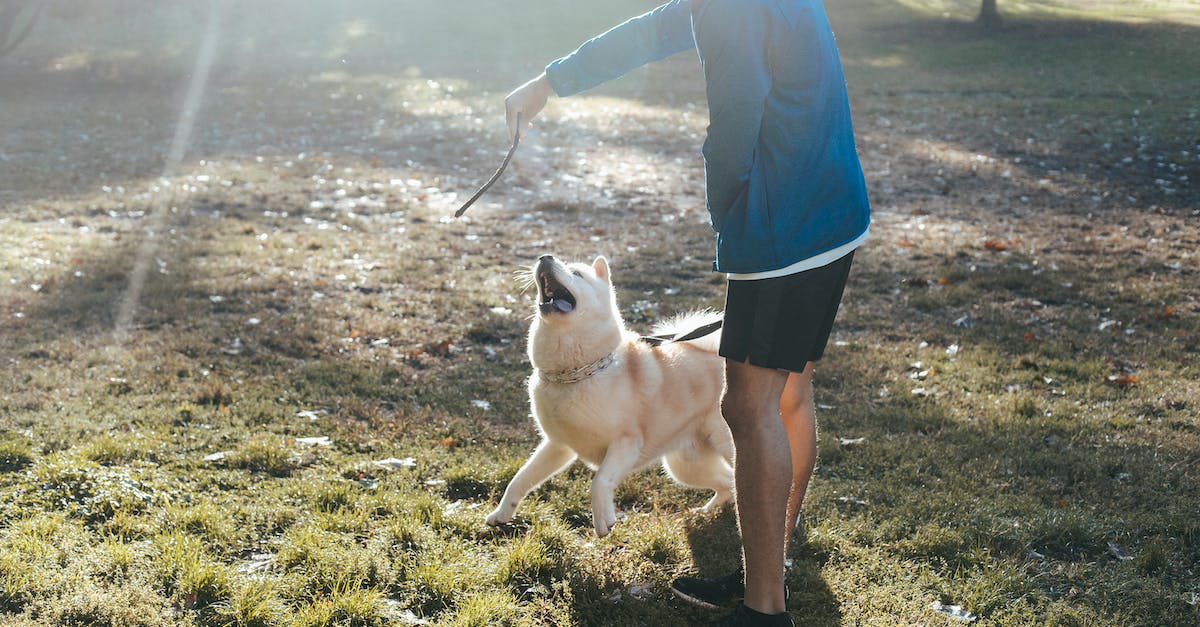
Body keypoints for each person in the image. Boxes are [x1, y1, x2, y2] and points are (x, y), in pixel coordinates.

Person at [502, 1, 870, 625]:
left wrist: (730, 210)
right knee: (789, 392)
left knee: (747, 407)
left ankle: (763, 608)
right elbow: (657, 29)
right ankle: (768, 567)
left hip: (782, 225)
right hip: (835, 204)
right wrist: (550, 81)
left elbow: (735, 115)